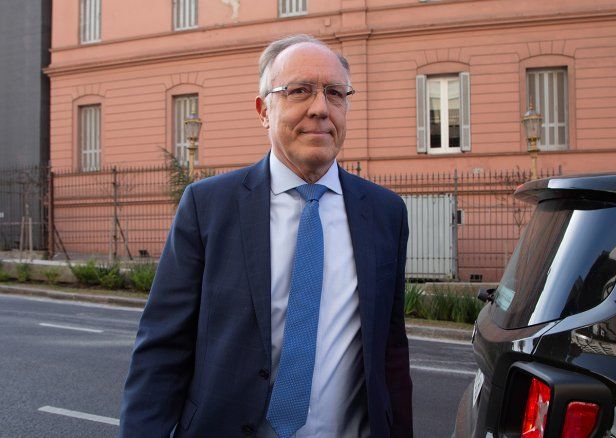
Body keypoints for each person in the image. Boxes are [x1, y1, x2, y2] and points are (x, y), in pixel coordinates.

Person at [119, 34, 413, 438]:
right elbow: (162, 349)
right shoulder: (208, 206)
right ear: (263, 110)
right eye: (299, 91)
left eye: (335, 93)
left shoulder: (385, 213)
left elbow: (391, 351)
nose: (320, 108)